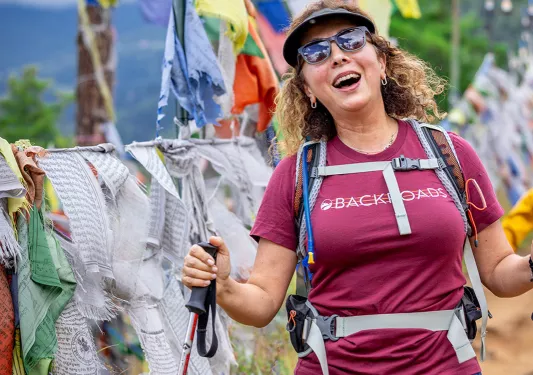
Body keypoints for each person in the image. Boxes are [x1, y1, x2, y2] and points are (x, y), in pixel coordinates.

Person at [182, 1, 533, 374]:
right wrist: (224, 286)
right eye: (315, 53)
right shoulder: (297, 174)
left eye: (350, 40)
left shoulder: (451, 154)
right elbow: (264, 300)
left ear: (382, 62)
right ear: (307, 89)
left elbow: (498, 271)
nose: (336, 56)